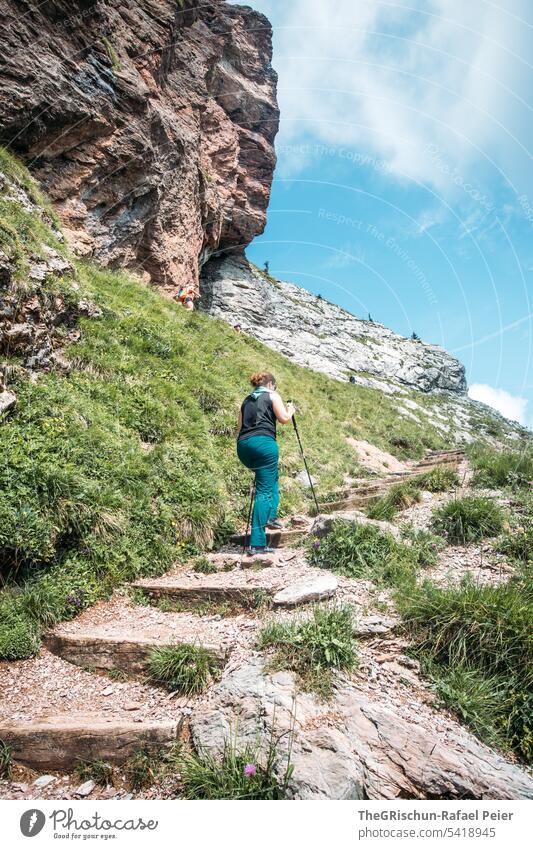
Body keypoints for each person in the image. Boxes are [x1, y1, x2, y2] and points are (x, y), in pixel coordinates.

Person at [237, 371, 295, 554]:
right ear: (270, 384)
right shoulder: (272, 395)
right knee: (264, 492)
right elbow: (284, 419)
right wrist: (291, 410)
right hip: (264, 445)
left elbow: (238, 429)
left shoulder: (246, 401)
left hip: (243, 447)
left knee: (271, 479)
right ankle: (258, 543)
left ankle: (270, 516)